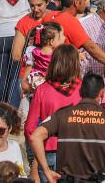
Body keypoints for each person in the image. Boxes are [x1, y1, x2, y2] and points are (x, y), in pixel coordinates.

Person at [29, 73, 105, 183]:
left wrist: (46, 170)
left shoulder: (63, 114)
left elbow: (35, 137)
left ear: (81, 91)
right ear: (101, 92)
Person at [24, 44, 81, 183]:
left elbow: (30, 128)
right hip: (77, 152)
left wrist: (36, 157)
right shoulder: (84, 89)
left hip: (49, 151)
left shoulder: (42, 90)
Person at [9, 0, 51, 66]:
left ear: (47, 2)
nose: (35, 9)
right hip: (31, 72)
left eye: (39, 5)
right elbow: (16, 55)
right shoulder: (23, 22)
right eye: (32, 6)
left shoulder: (56, 17)